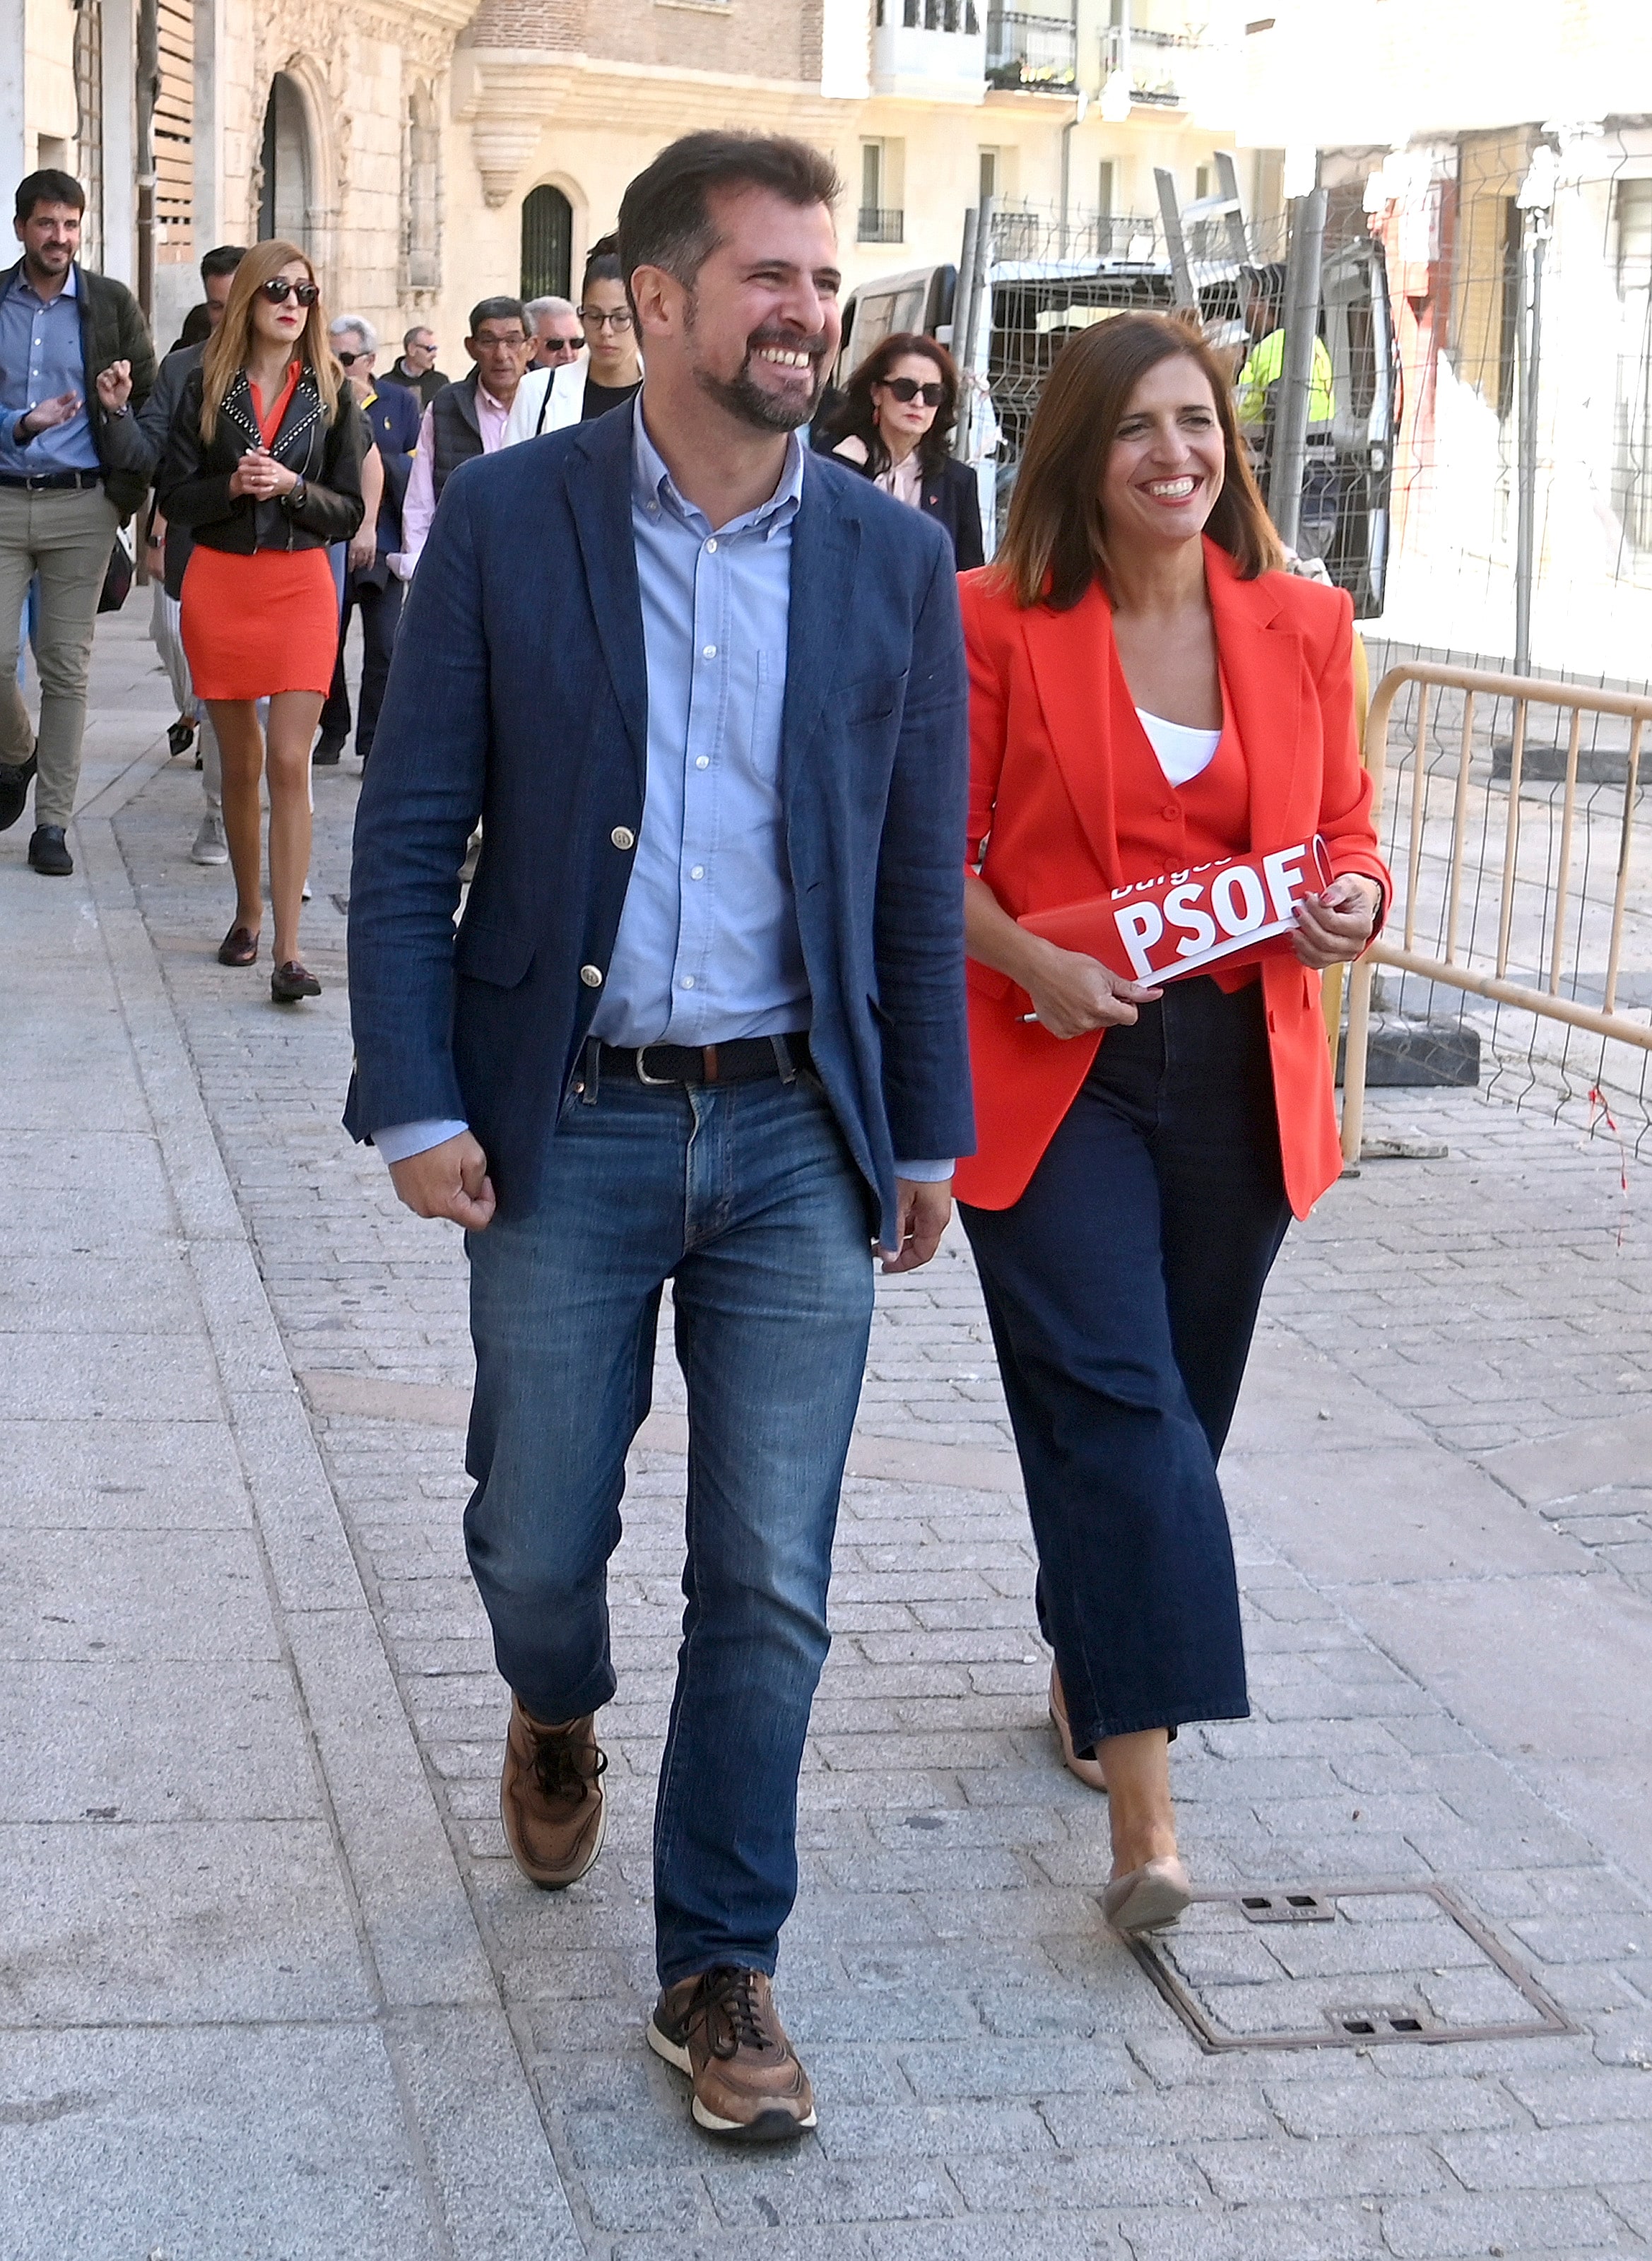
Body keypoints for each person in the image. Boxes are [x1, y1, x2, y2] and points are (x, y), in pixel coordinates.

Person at [346, 129, 971, 2142]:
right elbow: (414, 824)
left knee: (769, 1574)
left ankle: (718, 1966)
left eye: (824, 278)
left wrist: (930, 1135)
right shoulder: (519, 523)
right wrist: (418, 1096)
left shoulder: (889, 555)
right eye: (769, 278)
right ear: (654, 302)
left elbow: (904, 873)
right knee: (543, 1536)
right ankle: (553, 1698)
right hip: (568, 1123)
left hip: (798, 1127)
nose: (809, 311)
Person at [953, 312, 1388, 1935]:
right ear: (1080, 449)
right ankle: (1148, 1821)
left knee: (1173, 1420)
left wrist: (1352, 893)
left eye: (1198, 424)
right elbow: (930, 855)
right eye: (1139, 428)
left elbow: (1346, 828)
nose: (1177, 456)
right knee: (1127, 1411)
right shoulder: (990, 622)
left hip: (1238, 1073)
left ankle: (1096, 1638)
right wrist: (1034, 962)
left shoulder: (1301, 623)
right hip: (1059, 1069)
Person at [158, 240, 364, 1002]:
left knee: (289, 761)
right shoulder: (205, 388)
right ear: (247, 296)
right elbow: (175, 497)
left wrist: (293, 490)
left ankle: (287, 948)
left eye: (304, 292)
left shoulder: (334, 391)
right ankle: (246, 913)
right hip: (221, 585)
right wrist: (234, 489)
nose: (291, 302)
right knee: (236, 765)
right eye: (277, 288)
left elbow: (351, 509)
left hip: (301, 589)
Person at [0, 167, 156, 876]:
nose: (59, 237)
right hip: (3, 497)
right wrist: (21, 422)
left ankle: (53, 823)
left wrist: (118, 410)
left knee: (66, 668)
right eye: (46, 224)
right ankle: (15, 751)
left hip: (82, 506)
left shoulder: (111, 304)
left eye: (70, 224)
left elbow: (149, 403)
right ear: (21, 229)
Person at [138, 241, 248, 861]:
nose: (225, 318)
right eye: (214, 307)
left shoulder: (308, 371)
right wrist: (112, 416)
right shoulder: (183, 369)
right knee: (218, 689)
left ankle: (286, 849)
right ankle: (217, 814)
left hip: (287, 561)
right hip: (204, 547)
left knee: (284, 725)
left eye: (235, 303)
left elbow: (352, 466)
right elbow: (154, 459)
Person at [314, 315, 420, 765]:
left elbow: (414, 470)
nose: (339, 366)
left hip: (386, 539)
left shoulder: (400, 401)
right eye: (331, 357)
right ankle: (332, 729)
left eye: (347, 358)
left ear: (370, 361)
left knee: (383, 645)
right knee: (326, 644)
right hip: (329, 536)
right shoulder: (318, 400)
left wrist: (369, 444)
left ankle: (373, 741)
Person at [824, 331, 984, 569]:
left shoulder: (957, 482)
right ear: (876, 393)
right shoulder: (835, 460)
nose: (918, 402)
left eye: (932, 393)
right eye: (904, 388)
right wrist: (848, 464)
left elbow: (967, 577)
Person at [392, 297, 528, 577]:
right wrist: (418, 564)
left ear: (531, 346)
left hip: (532, 558)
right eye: (489, 341)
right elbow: (421, 496)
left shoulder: (551, 402)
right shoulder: (447, 406)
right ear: (471, 347)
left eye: (513, 341)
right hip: (463, 560)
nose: (502, 355)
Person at [1234, 264, 1339, 559]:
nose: (1247, 306)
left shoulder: (1279, 346)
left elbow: (1282, 424)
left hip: (1293, 506)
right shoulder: (1311, 345)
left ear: (1271, 302)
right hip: (1316, 501)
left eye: (1254, 297)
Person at [503, 237, 643, 445]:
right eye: (594, 316)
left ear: (641, 317)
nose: (606, 331)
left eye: (620, 318)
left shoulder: (668, 394)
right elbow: (510, 472)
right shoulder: (539, 391)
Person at [378, 324, 449, 411]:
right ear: (412, 349)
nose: (434, 355)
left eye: (435, 349)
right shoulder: (386, 384)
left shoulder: (441, 382)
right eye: (430, 349)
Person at [523, 295, 583, 370]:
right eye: (556, 344)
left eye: (575, 343)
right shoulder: (521, 381)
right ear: (531, 347)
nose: (568, 354)